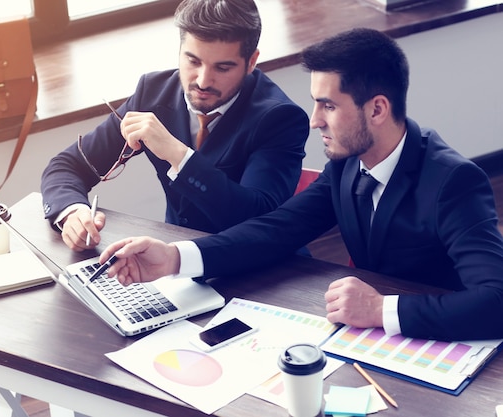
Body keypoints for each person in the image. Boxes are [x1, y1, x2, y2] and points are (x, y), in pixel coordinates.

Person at [99, 28, 503, 342]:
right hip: (368, 340)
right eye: (315, 103)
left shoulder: (453, 182)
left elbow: (496, 302)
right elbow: (275, 231)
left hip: (446, 348)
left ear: (377, 108)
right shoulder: (347, 165)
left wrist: (381, 310)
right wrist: (173, 258)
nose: (315, 120)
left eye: (328, 105)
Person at [41, 0, 309, 251]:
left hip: (260, 270)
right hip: (171, 263)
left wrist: (179, 155)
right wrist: (73, 212)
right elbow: (67, 166)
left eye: (223, 68)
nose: (203, 81)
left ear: (251, 62)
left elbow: (256, 218)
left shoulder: (280, 118)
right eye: (193, 61)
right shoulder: (153, 93)